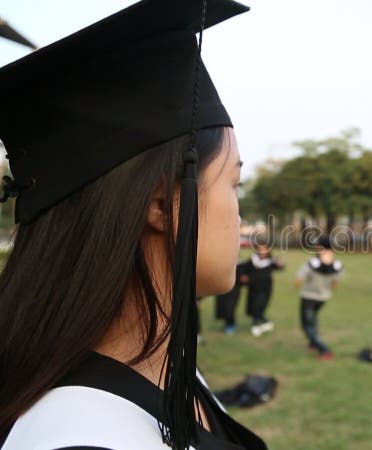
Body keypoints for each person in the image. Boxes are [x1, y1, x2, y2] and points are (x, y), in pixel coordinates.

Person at [0, 1, 267, 449]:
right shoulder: (84, 436)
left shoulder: (160, 369)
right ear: (161, 203)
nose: (240, 217)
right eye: (233, 183)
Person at [295, 236, 343, 360]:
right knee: (313, 319)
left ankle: (323, 349)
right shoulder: (337, 265)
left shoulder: (312, 263)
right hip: (323, 297)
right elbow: (335, 283)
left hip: (308, 297)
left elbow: (298, 280)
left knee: (307, 325)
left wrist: (298, 285)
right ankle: (312, 343)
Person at [241, 246, 285, 337]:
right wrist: (244, 276)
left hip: (265, 289)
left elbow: (280, 267)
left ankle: (256, 325)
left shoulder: (270, 261)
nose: (262, 252)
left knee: (259, 306)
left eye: (265, 250)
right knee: (253, 306)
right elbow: (244, 268)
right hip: (253, 288)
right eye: (260, 250)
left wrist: (280, 264)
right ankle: (263, 323)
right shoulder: (253, 260)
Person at [215, 261, 247, 335]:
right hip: (222, 289)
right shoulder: (222, 264)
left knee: (230, 307)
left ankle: (231, 325)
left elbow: (243, 278)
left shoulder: (240, 265)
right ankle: (227, 323)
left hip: (234, 290)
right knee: (224, 307)